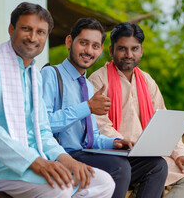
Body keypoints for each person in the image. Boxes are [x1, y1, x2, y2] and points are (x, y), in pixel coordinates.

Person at [0, 2, 115, 198]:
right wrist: (35, 161)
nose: (33, 37)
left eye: (40, 32)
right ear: (11, 29)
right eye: (26, 29)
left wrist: (66, 160)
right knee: (61, 187)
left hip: (34, 161)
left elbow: (42, 130)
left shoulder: (33, 75)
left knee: (103, 183)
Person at [41, 17, 168, 198]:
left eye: (94, 46)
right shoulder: (51, 75)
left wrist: (114, 142)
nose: (88, 51)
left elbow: (91, 138)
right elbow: (43, 125)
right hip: (63, 155)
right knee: (120, 167)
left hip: (86, 152)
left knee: (157, 165)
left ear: (100, 50)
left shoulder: (88, 85)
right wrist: (87, 107)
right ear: (69, 42)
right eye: (83, 43)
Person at [88, 22, 184, 198]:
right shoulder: (98, 80)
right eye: (122, 49)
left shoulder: (147, 81)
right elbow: (101, 126)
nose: (129, 55)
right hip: (117, 156)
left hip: (148, 155)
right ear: (111, 51)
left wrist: (180, 155)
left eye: (134, 49)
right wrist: (122, 141)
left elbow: (165, 125)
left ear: (141, 50)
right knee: (157, 167)